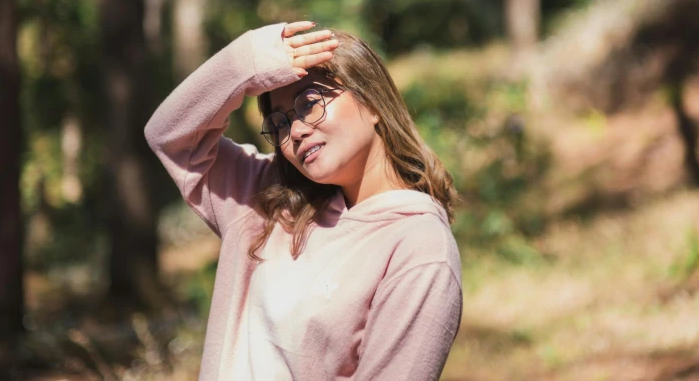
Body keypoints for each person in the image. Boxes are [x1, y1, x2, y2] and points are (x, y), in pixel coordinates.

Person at [145, 21, 463, 380]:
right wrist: (246, 63)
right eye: (278, 123)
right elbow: (168, 135)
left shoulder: (420, 248)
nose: (294, 131)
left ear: (373, 102)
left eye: (310, 103)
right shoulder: (264, 199)